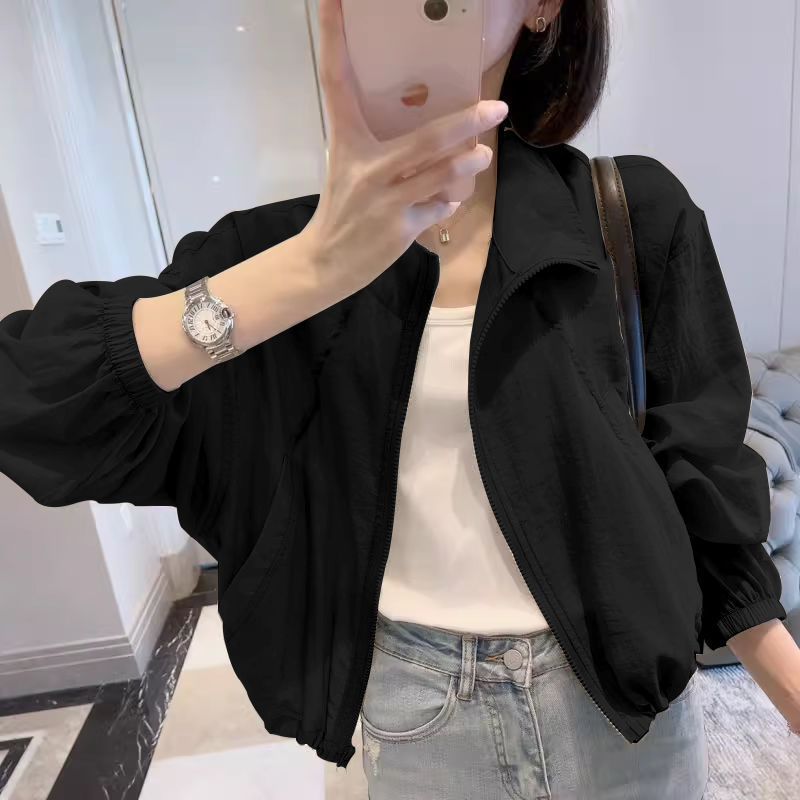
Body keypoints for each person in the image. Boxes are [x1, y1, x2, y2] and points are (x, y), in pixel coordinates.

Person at [1, 0, 798, 797]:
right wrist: (310, 268)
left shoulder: (632, 215)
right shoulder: (265, 258)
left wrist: (785, 680)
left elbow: (701, 479)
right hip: (417, 715)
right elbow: (32, 401)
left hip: (625, 707)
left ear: (545, 8)